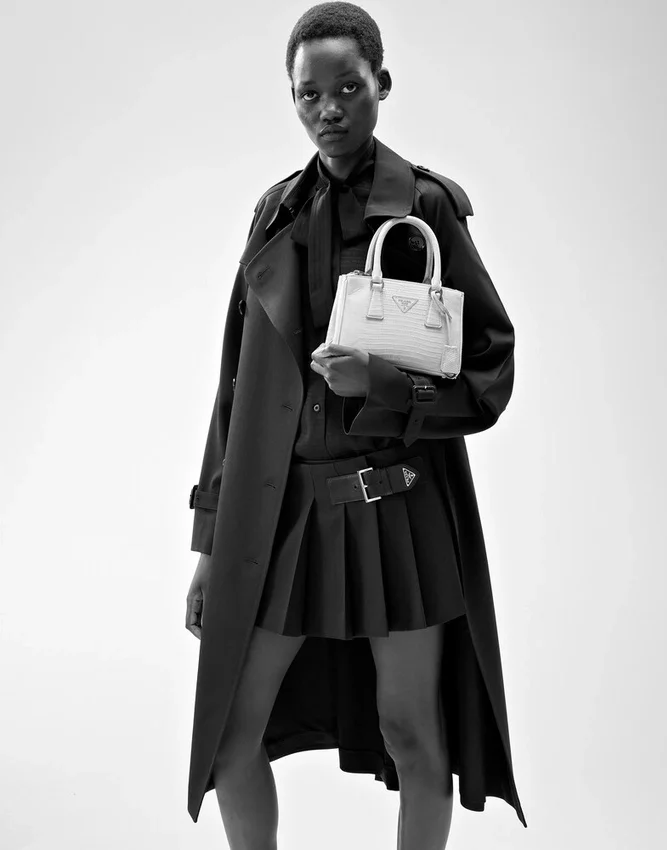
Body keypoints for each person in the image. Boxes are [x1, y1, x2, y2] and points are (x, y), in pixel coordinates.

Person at [185, 2, 526, 847]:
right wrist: (208, 543)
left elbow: (490, 373)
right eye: (309, 94)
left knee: (413, 732)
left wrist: (380, 383)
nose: (328, 109)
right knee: (230, 733)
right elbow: (233, 390)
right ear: (292, 98)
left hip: (399, 512)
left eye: (347, 88)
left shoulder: (426, 208)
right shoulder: (274, 213)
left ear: (383, 84)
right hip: (283, 520)